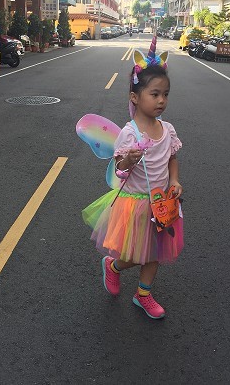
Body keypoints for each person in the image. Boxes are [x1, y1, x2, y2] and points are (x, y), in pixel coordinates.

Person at [82, 36, 183, 320]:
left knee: (156, 253)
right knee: (135, 253)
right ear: (135, 97)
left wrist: (174, 181)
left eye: (165, 94)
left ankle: (143, 295)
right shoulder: (129, 133)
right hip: (135, 205)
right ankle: (113, 266)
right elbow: (119, 169)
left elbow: (172, 158)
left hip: (161, 203)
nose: (161, 100)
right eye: (155, 94)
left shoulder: (167, 129)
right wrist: (128, 160)